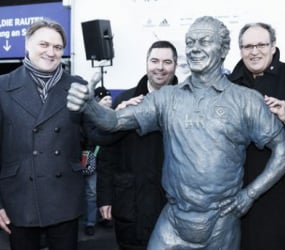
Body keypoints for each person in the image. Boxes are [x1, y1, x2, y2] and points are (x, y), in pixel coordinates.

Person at [67, 16, 285, 250]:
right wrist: (89, 106)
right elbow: (114, 122)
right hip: (173, 221)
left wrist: (250, 194)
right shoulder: (166, 97)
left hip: (221, 224)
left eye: (204, 41)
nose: (195, 48)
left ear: (224, 49)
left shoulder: (246, 100)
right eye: (190, 42)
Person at [0, 19, 90, 250]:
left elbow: (95, 136)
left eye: (58, 47)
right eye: (44, 44)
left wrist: (111, 115)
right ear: (27, 45)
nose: (51, 52)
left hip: (64, 197)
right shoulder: (3, 86)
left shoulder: (77, 85)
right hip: (19, 198)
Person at [227, 22, 285, 250]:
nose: (254, 52)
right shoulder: (227, 85)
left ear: (273, 46)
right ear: (240, 49)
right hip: (235, 195)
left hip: (280, 196)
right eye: (248, 46)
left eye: (261, 44)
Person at [96, 40, 178, 250]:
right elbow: (107, 154)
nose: (160, 67)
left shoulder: (188, 101)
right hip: (130, 202)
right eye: (155, 61)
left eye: (167, 62)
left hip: (173, 203)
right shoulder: (125, 100)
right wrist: (104, 196)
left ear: (175, 65)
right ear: (146, 63)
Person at [81, 85, 112, 237]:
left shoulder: (114, 114)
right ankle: (90, 222)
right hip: (93, 157)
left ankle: (105, 217)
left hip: (108, 160)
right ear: (97, 101)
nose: (109, 102)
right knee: (92, 192)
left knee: (106, 189)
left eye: (110, 98)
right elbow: (87, 137)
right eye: (105, 99)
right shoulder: (89, 117)